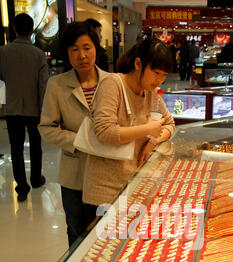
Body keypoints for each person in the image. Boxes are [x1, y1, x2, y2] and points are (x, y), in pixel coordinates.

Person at [38, 21, 110, 247]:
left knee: (107, 231)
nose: (82, 55)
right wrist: (80, 141)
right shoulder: (57, 85)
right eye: (74, 49)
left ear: (96, 48)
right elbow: (46, 128)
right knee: (76, 231)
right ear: (67, 53)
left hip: (107, 173)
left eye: (87, 48)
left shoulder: (112, 82)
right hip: (74, 174)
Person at [82, 38, 175, 208]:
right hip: (104, 191)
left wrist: (153, 142)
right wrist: (148, 129)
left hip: (135, 183)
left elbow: (170, 124)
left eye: (164, 75)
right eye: (156, 72)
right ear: (138, 64)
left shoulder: (150, 93)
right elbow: (104, 132)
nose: (159, 80)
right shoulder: (113, 84)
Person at [0, 13, 48, 201]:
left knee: (16, 148)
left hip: (12, 108)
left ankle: (21, 187)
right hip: (34, 108)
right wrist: (45, 110)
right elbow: (43, 85)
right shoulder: (38, 54)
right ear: (32, 30)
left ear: (14, 29)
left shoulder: (2, 52)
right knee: (36, 145)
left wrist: (3, 102)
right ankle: (36, 179)